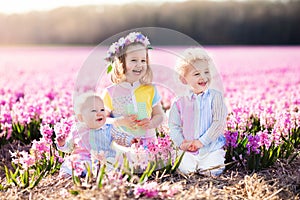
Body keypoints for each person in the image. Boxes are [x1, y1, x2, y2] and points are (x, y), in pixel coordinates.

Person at [168, 48, 227, 175]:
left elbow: (219, 123)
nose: (204, 77)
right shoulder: (179, 102)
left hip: (211, 148)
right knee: (185, 170)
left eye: (206, 72)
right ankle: (191, 164)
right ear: (184, 79)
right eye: (197, 74)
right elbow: (174, 126)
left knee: (212, 170)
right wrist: (182, 143)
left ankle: (206, 164)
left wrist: (201, 142)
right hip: (188, 149)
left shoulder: (215, 97)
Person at [102, 32, 165, 149]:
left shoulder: (150, 89)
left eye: (143, 61)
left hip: (148, 142)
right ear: (121, 62)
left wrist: (151, 123)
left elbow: (159, 115)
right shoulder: (110, 92)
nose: (139, 65)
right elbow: (102, 120)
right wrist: (119, 121)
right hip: (123, 145)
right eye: (134, 60)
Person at [56, 92, 116, 177]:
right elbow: (69, 148)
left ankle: (99, 174)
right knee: (69, 163)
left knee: (110, 165)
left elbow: (116, 141)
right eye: (94, 111)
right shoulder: (77, 130)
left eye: (102, 110)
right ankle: (68, 174)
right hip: (82, 158)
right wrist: (62, 143)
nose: (99, 113)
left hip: (100, 159)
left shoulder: (107, 128)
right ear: (81, 117)